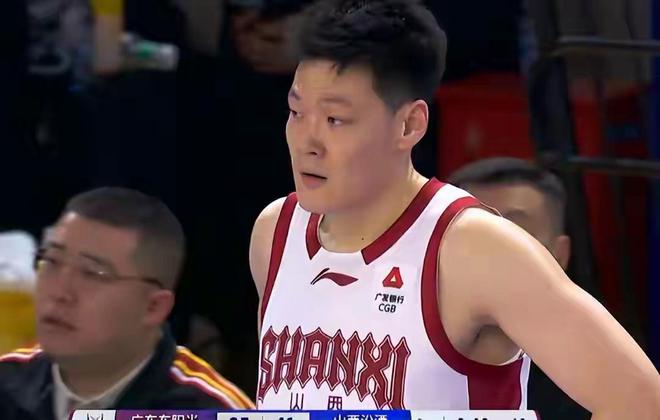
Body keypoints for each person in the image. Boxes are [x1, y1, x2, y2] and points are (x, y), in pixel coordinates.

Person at [248, 0, 660, 414]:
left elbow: (641, 400)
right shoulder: (275, 232)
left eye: (335, 120)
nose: (306, 142)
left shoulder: (475, 248)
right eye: (296, 112)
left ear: (409, 125)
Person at [0, 187, 254, 420]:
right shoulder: (7, 381)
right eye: (52, 261)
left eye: (93, 273)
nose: (59, 292)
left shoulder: (215, 411)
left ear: (153, 307)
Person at [448, 157, 589, 419]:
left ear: (559, 255)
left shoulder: (599, 376)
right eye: (474, 236)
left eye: (517, 235)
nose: (493, 252)